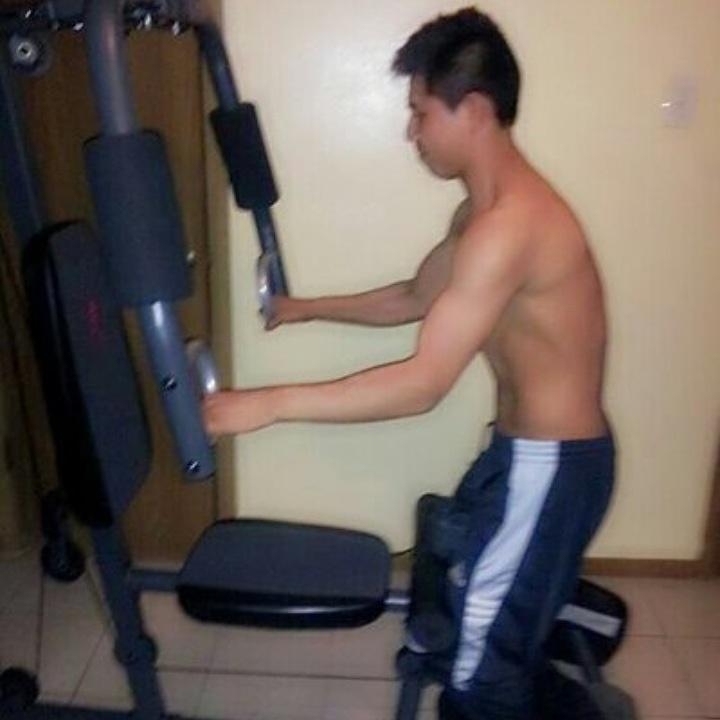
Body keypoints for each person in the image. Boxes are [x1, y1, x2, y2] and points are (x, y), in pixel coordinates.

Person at [205, 7, 615, 719]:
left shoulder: (510, 227)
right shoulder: (480, 216)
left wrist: (269, 404)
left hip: (551, 470)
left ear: (474, 111)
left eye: (421, 112)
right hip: (524, 459)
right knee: (484, 628)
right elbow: (414, 297)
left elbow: (423, 385)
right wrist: (304, 308)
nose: (411, 131)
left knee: (478, 670)